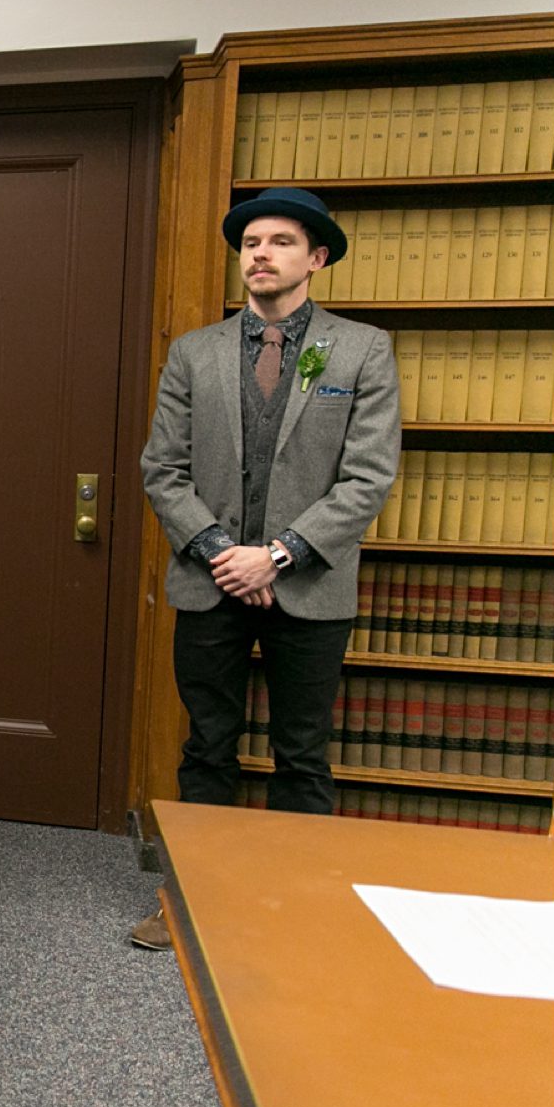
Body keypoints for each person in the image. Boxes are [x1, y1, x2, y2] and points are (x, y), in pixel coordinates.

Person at [134, 187, 399, 950]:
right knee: (207, 747)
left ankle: (295, 910)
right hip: (210, 580)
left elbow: (368, 476)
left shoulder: (360, 351)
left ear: (316, 258)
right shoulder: (195, 352)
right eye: (251, 241)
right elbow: (163, 470)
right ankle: (191, 904)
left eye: (280, 241)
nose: (260, 253)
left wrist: (277, 555)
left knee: (303, 754)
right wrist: (224, 553)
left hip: (310, 586)